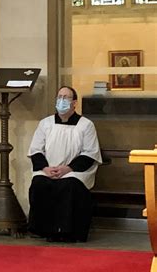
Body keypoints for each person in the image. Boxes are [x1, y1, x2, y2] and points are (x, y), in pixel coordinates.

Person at [27, 86, 102, 242]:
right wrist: (46, 168)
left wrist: (67, 169)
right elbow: (35, 149)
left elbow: (89, 153)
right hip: (48, 168)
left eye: (66, 97)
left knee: (68, 186)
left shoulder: (85, 125)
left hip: (74, 171)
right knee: (39, 183)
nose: (62, 101)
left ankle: (65, 232)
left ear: (74, 102)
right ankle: (42, 229)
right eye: (59, 97)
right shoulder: (45, 123)